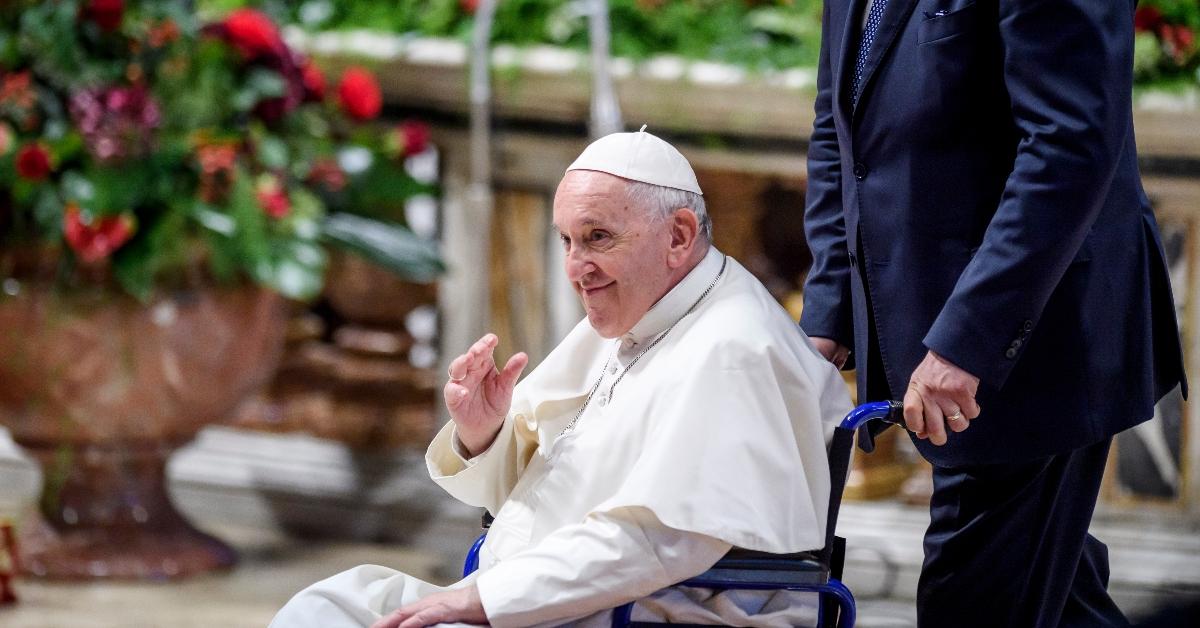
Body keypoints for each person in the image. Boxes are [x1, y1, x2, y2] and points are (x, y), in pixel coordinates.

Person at [270, 128, 853, 628]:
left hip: (664, 609)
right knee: (331, 604)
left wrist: (478, 598)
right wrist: (484, 434)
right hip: (576, 599)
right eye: (567, 241)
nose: (577, 268)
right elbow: (539, 496)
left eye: (598, 237)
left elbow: (659, 538)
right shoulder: (643, 309)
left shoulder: (733, 348)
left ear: (678, 236)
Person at [800, 1, 1187, 627]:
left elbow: (1068, 147)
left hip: (1031, 340)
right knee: (1056, 602)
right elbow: (837, 125)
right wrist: (828, 312)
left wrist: (967, 343)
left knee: (970, 601)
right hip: (943, 329)